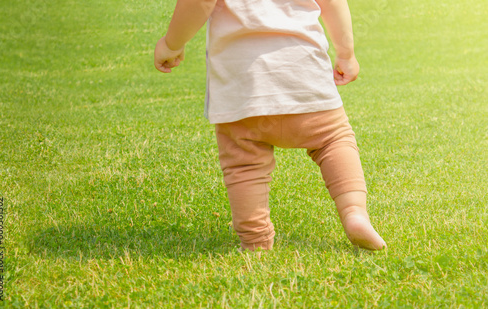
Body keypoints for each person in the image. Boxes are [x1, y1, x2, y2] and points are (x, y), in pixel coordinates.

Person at [154, 0, 386, 251]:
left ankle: (255, 240)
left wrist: (171, 44)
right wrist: (346, 53)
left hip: (244, 86)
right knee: (333, 141)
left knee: (244, 163)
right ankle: (354, 213)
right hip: (305, 75)